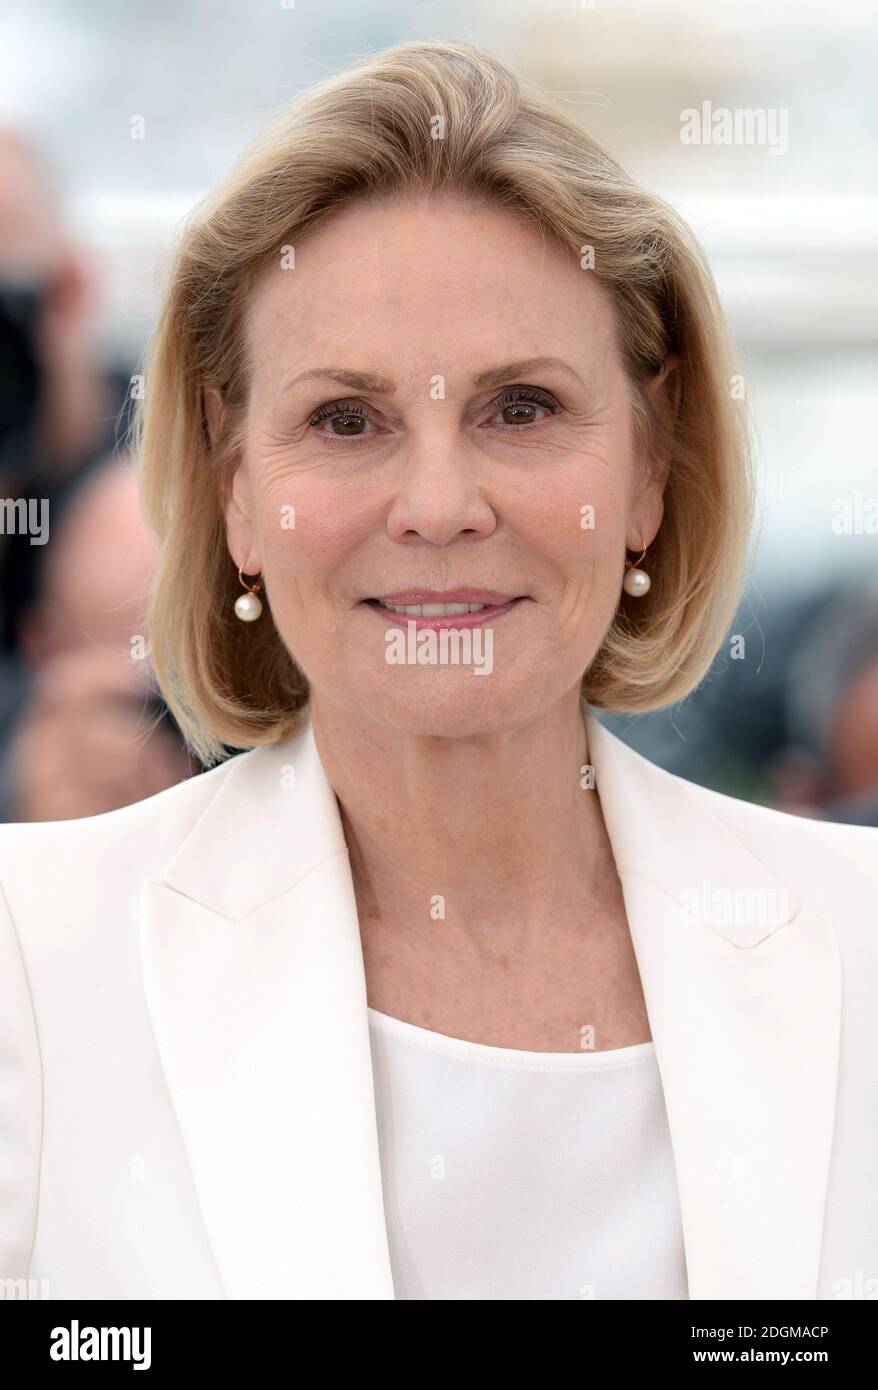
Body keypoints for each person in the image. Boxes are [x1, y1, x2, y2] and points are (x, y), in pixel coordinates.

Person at [0, 38, 875, 1302]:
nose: (437, 502)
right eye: (344, 420)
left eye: (519, 407)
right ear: (235, 485)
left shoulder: (852, 947)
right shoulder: (28, 960)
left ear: (647, 461)